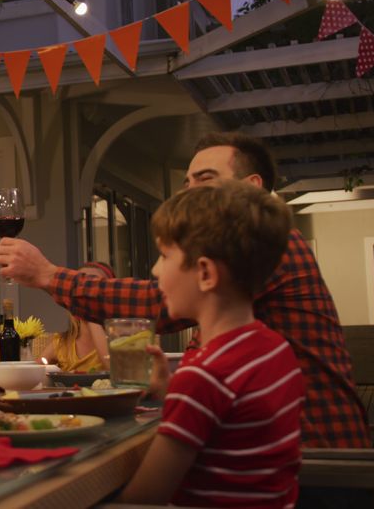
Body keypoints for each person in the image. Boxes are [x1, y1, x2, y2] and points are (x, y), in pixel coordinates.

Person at [0, 131, 370, 449]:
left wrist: (49, 276)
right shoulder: (233, 264)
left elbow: (156, 304)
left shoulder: (270, 247)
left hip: (316, 461)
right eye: (187, 184)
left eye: (204, 181)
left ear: (251, 189)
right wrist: (172, 386)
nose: (188, 195)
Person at [118, 180, 303, 507]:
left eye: (164, 255)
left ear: (205, 273)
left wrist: (183, 393)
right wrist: (169, 396)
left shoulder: (204, 377)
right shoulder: (276, 348)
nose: (155, 269)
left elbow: (143, 499)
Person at [40, 262, 112, 372]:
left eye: (95, 287)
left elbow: (116, 369)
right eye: (81, 287)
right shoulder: (63, 343)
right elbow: (35, 371)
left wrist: (92, 316)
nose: (87, 294)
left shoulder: (119, 342)